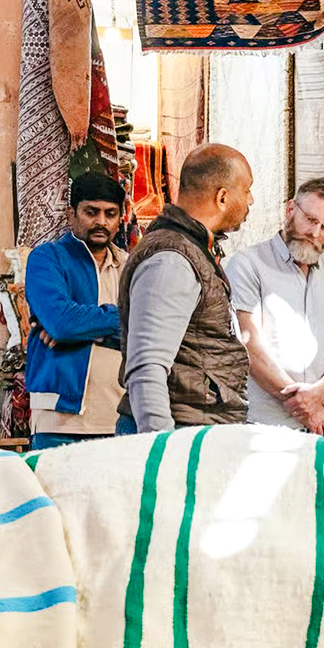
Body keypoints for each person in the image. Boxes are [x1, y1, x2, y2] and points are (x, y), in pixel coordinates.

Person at [117, 144, 255, 433]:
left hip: (197, 428)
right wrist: (164, 450)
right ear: (222, 197)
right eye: (247, 190)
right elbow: (147, 367)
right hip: (180, 433)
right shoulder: (172, 260)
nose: (250, 200)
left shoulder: (191, 250)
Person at [224, 178, 324, 434]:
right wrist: (303, 405)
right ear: (290, 209)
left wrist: (321, 391)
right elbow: (249, 346)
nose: (316, 233)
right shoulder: (248, 264)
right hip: (263, 422)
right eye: (310, 219)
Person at [23, 172, 129, 451]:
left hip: (122, 418)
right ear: (72, 214)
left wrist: (85, 330)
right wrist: (119, 319)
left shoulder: (132, 266)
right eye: (91, 212)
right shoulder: (47, 259)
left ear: (121, 218)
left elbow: (150, 331)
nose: (101, 222)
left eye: (110, 213)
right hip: (60, 421)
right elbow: (61, 323)